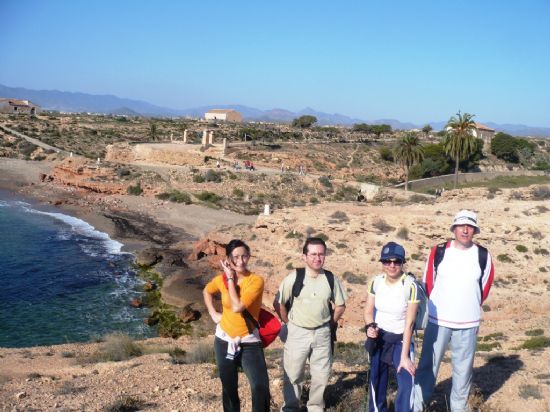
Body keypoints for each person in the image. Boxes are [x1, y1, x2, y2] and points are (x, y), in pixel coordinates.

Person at [413, 210, 495, 412]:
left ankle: (458, 408)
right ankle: (417, 406)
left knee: (463, 371)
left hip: (467, 324)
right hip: (438, 321)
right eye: (461, 226)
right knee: (427, 367)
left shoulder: (483, 255)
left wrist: (468, 306)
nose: (465, 230)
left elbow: (483, 288)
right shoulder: (438, 251)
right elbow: (428, 283)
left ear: (474, 230)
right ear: (454, 228)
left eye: (469, 226)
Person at [274, 237, 347, 412]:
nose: (317, 258)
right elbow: (278, 303)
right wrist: (287, 323)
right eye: (313, 254)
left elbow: (341, 305)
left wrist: (329, 324)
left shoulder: (330, 278)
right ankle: (291, 408)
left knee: (321, 376)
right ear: (304, 256)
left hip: (322, 333)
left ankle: (315, 407)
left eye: (321, 254)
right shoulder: (294, 278)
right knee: (293, 374)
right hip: (297, 332)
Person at [203, 239, 270, 412]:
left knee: (260, 386)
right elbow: (207, 291)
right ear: (228, 259)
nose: (241, 261)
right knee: (229, 388)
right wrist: (212, 313)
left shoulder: (255, 281)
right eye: (236, 257)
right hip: (223, 340)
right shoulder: (220, 280)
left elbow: (237, 306)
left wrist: (231, 279)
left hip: (249, 341)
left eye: (245, 256)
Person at [364, 242, 419, 412]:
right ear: (382, 263)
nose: (392, 265)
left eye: (397, 261)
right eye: (387, 261)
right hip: (380, 337)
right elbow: (368, 311)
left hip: (401, 340)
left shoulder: (410, 286)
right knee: (376, 380)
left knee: (406, 383)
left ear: (402, 263)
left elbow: (409, 323)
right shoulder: (376, 282)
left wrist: (404, 357)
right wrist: (369, 328)